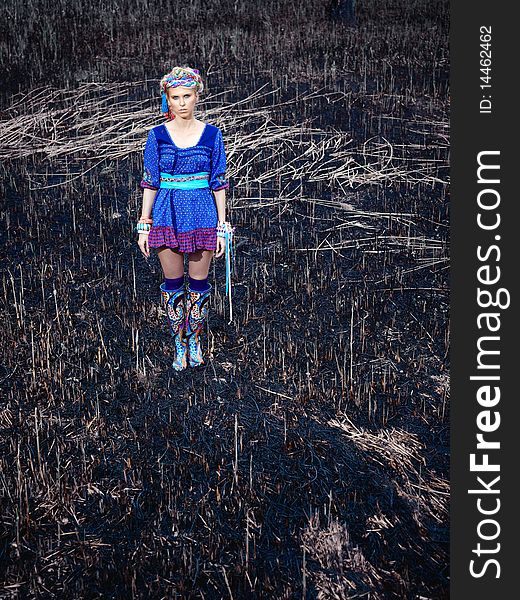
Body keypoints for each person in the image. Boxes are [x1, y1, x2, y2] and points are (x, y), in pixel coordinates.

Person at [135, 66, 234, 371]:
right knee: (173, 283)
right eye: (175, 97)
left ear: (196, 97)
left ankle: (195, 340)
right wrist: (144, 224)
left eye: (187, 96)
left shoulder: (212, 135)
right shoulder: (157, 136)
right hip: (167, 215)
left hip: (202, 216)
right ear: (167, 99)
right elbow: (150, 181)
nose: (181, 102)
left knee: (199, 284)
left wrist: (221, 226)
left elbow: (218, 182)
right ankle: (179, 343)